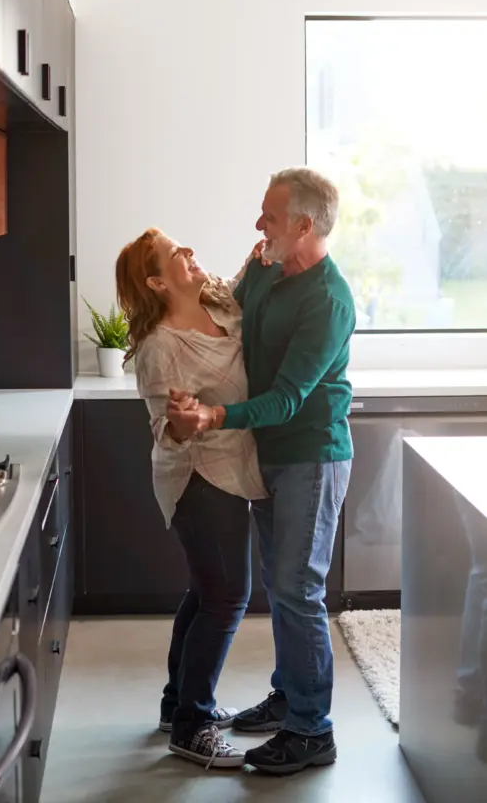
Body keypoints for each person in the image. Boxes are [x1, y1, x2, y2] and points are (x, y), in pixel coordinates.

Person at [167, 167, 356, 776]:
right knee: (281, 587)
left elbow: (287, 398)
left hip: (312, 454)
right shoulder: (272, 273)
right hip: (269, 455)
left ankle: (311, 730)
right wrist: (240, 275)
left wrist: (217, 414)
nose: (259, 224)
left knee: (299, 590)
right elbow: (229, 317)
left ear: (305, 225)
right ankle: (289, 697)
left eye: (270, 217)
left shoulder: (328, 299)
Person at [115, 228, 267, 770]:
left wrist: (256, 259)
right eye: (176, 254)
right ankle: (193, 726)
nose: (190, 253)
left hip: (230, 466)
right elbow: (163, 429)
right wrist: (182, 424)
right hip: (199, 477)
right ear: (157, 281)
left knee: (206, 593)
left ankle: (175, 705)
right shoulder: (161, 346)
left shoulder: (217, 302)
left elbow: (243, 285)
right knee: (227, 598)